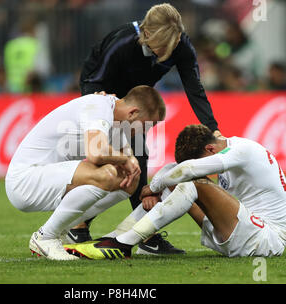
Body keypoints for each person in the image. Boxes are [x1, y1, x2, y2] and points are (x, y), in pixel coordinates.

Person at [72, 3, 221, 255]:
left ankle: (95, 226)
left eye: (171, 46)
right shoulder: (122, 44)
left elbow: (194, 89)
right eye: (161, 46)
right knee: (122, 161)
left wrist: (213, 130)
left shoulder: (181, 46)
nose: (166, 53)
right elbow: (93, 82)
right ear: (146, 34)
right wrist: (98, 118)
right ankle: (139, 234)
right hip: (102, 94)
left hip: (135, 100)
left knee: (136, 159)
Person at [65, 124, 286, 259]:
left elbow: (189, 169)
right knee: (178, 176)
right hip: (237, 230)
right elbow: (176, 170)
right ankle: (114, 238)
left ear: (210, 149)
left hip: (266, 238)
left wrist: (153, 187)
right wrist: (158, 190)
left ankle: (123, 245)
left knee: (190, 181)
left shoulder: (243, 151)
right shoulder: (225, 148)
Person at [5, 85, 165, 261]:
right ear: (133, 113)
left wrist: (131, 162)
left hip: (46, 178)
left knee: (128, 180)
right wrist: (127, 160)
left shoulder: (116, 119)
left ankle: (72, 231)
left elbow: (128, 158)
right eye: (147, 124)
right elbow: (96, 153)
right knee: (107, 174)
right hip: (25, 180)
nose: (146, 131)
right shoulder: (99, 107)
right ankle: (46, 237)